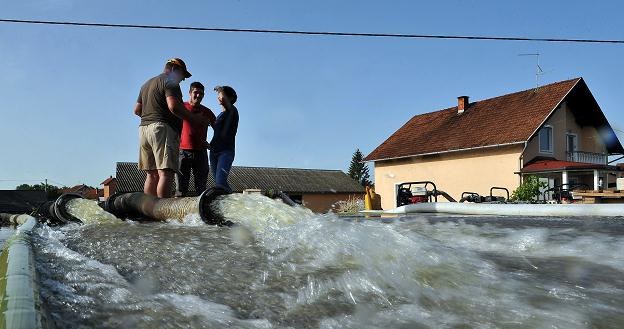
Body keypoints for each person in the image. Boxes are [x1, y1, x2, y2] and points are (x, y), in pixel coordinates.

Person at [134, 58, 210, 198]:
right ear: (175, 69)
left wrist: (152, 116)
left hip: (144, 129)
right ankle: (163, 217)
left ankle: (149, 213)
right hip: (162, 129)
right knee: (165, 172)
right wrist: (194, 118)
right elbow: (173, 106)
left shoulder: (147, 84)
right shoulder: (170, 81)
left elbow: (137, 110)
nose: (182, 80)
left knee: (151, 174)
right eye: (182, 75)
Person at [175, 82, 216, 197]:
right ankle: (179, 214)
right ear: (189, 93)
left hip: (201, 153)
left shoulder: (207, 112)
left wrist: (212, 144)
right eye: (196, 92)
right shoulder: (180, 107)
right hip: (182, 152)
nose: (198, 95)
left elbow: (218, 129)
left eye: (201, 93)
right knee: (181, 189)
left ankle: (200, 213)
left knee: (201, 188)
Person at [209, 86, 239, 192]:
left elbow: (223, 99)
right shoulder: (220, 115)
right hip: (214, 152)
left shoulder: (233, 111)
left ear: (230, 98)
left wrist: (220, 89)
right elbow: (218, 134)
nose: (219, 97)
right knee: (218, 183)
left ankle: (233, 202)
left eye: (223, 95)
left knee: (221, 182)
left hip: (226, 151)